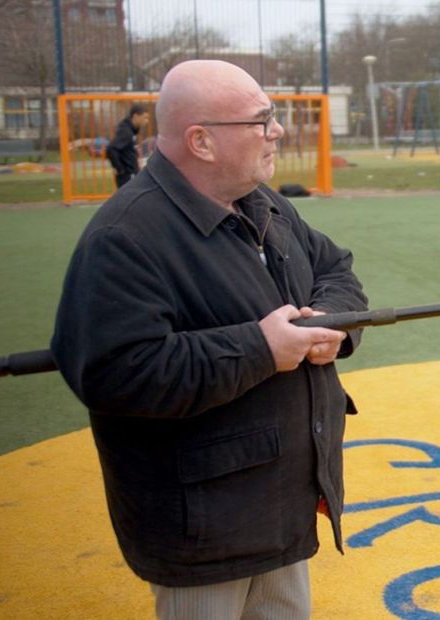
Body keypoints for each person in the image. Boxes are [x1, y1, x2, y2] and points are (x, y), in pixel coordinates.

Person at [50, 60, 368, 619]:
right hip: (204, 526)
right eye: (261, 120)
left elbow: (335, 269)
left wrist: (331, 322)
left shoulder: (265, 202)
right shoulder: (125, 236)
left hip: (280, 502)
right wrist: (261, 348)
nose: (277, 131)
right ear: (201, 141)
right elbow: (118, 374)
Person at [107, 103, 149, 188]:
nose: (146, 121)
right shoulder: (126, 131)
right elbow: (111, 149)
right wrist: (120, 169)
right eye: (144, 117)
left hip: (131, 173)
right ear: (136, 116)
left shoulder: (131, 130)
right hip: (127, 176)